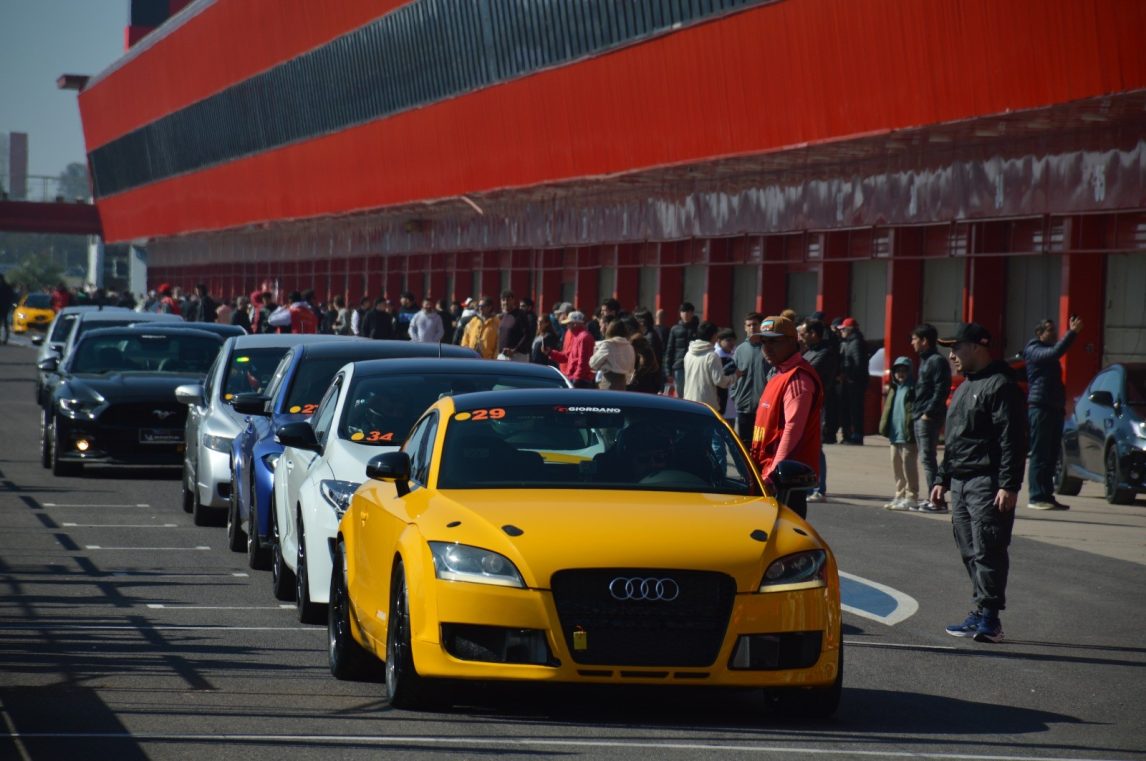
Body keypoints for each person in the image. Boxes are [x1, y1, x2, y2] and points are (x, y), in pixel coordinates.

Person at [929, 323, 1026, 644]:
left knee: (988, 549)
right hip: (960, 481)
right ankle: (981, 609)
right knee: (969, 550)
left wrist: (1009, 484)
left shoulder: (1001, 386)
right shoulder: (964, 387)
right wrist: (942, 478)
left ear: (977, 347)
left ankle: (990, 619)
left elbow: (1013, 439)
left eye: (956, 348)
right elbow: (955, 440)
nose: (951, 355)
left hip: (987, 482)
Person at [750, 315, 824, 520]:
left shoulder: (798, 379)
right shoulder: (780, 374)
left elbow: (793, 428)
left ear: (793, 341)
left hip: (785, 480)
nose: (767, 348)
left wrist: (774, 474)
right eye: (763, 342)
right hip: (768, 474)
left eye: (774, 341)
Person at [1023, 315, 1083, 510]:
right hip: (1040, 407)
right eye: (1050, 330)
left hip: (1054, 408)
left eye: (1055, 330)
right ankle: (1036, 496)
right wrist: (1072, 333)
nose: (1055, 333)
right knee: (1040, 454)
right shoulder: (1033, 349)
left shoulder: (1047, 351)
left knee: (1051, 455)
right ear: (1039, 333)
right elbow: (1056, 351)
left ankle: (1047, 496)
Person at [911, 323, 953, 510]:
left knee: (929, 459)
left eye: (915, 339)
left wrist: (928, 413)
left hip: (927, 417)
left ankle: (936, 500)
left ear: (924, 341)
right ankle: (932, 497)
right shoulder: (926, 360)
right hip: (920, 414)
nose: (912, 343)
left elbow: (941, 389)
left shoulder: (936, 361)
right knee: (926, 459)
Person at [798, 318, 836, 501]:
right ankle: (807, 485)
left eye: (803, 333)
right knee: (803, 446)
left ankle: (819, 488)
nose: (801, 336)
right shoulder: (809, 352)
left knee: (815, 447)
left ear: (813, 334)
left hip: (815, 406)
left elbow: (805, 372)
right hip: (803, 404)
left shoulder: (824, 353)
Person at [880, 356, 920, 511]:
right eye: (898, 371)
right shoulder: (894, 388)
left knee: (909, 467)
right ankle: (900, 494)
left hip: (908, 434)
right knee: (896, 466)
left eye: (904, 371)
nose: (900, 374)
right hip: (894, 434)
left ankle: (911, 496)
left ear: (910, 372)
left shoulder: (913, 388)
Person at [731, 313, 770, 446]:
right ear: (745, 327)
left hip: (763, 407)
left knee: (760, 444)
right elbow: (733, 375)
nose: (752, 327)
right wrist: (735, 395)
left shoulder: (768, 349)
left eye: (755, 324)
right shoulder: (739, 350)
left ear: (761, 326)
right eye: (749, 325)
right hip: (743, 407)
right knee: (744, 445)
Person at [682, 321, 734, 411]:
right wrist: (735, 376)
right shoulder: (712, 356)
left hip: (688, 401)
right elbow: (720, 381)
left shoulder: (688, 354)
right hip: (706, 406)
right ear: (713, 336)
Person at [545, 310, 596, 388]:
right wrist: (550, 353)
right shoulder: (578, 336)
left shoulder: (583, 337)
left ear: (575, 324)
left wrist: (577, 379)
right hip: (576, 378)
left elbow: (583, 361)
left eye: (568, 324)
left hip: (580, 380)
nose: (567, 326)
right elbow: (567, 356)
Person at [839, 317, 867, 444]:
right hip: (853, 381)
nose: (841, 332)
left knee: (855, 409)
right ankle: (852, 435)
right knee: (852, 409)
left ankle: (856, 436)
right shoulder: (851, 341)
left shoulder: (855, 343)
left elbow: (858, 363)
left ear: (849, 330)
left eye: (843, 329)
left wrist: (849, 375)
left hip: (854, 382)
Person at [589, 319, 636, 390]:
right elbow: (631, 368)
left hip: (608, 381)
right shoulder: (630, 347)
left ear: (610, 330)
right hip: (623, 381)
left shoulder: (608, 345)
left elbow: (593, 363)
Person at [664, 302, 699, 396]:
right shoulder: (674, 329)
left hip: (694, 365)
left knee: (693, 393)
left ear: (692, 313)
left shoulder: (697, 329)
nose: (685, 314)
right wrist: (667, 371)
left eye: (688, 311)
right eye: (683, 311)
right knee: (680, 394)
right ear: (680, 314)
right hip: (679, 365)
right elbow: (669, 350)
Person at [497, 290, 532, 361]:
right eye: (503, 300)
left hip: (517, 356)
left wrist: (514, 350)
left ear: (513, 300)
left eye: (508, 300)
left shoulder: (520, 314)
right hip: (502, 355)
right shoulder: (503, 316)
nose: (506, 302)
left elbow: (527, 335)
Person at [0, 275, 14, 344]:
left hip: (5, 308)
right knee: (3, 324)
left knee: (6, 324)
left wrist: (10, 305)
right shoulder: (8, 287)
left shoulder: (7, 287)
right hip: (4, 307)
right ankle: (4, 338)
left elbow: (11, 297)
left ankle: (6, 339)